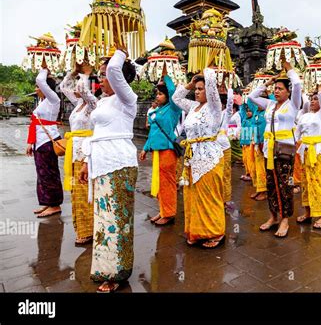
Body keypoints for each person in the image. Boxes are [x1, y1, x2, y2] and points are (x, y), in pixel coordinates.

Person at [79, 47, 138, 293]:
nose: (101, 79)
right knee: (103, 221)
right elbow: (96, 133)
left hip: (120, 164)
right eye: (100, 75)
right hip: (100, 163)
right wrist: (85, 161)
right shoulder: (103, 101)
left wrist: (120, 51)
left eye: (104, 75)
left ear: (119, 79)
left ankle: (117, 273)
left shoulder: (128, 99)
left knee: (117, 220)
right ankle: (104, 269)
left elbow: (115, 68)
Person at [172, 69, 226, 249]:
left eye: (200, 89)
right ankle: (196, 231)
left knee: (209, 195)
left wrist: (206, 67)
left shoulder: (214, 106)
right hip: (192, 156)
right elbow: (176, 99)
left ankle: (216, 232)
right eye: (196, 89)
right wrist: (190, 82)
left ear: (209, 91)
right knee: (192, 196)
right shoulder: (193, 107)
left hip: (210, 157)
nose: (197, 91)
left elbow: (211, 82)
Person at [248, 60, 302, 238]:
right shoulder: (270, 105)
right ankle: (273, 216)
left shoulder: (293, 104)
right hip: (269, 150)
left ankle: (285, 219)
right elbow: (252, 97)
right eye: (275, 89)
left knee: (285, 184)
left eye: (280, 89)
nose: (276, 91)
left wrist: (289, 70)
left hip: (284, 149)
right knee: (270, 184)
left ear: (288, 92)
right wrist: (268, 83)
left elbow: (297, 84)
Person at [59, 63, 97, 244]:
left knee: (85, 191)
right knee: (76, 192)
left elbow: (82, 87)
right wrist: (74, 72)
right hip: (73, 151)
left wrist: (85, 73)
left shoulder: (93, 104)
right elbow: (63, 87)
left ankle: (88, 229)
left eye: (79, 87)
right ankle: (80, 227)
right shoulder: (78, 105)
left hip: (86, 151)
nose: (75, 89)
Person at [139, 67, 182, 226]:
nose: (157, 96)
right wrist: (145, 148)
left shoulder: (173, 108)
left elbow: (173, 92)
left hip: (168, 150)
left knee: (167, 182)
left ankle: (169, 213)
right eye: (156, 93)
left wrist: (166, 75)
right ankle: (163, 210)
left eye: (160, 93)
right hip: (156, 151)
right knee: (159, 182)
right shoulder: (155, 112)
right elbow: (153, 133)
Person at [295, 84, 321, 228]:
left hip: (320, 152)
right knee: (306, 184)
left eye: (316, 99)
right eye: (312, 99)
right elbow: (297, 133)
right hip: (305, 151)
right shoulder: (304, 116)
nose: (313, 101)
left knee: (320, 183)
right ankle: (308, 211)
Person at [26, 65, 63, 218]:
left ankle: (55, 205)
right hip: (39, 142)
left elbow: (40, 79)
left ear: (46, 87)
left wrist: (44, 68)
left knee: (49, 173)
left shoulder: (53, 99)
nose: (36, 88)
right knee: (42, 174)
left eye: (38, 87)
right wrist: (30, 142)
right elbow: (35, 124)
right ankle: (48, 202)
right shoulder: (42, 102)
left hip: (48, 141)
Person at [216, 87, 235, 209]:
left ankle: (225, 199)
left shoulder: (226, 114)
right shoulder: (210, 114)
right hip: (213, 148)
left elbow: (230, 105)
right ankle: (216, 198)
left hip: (224, 147)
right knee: (216, 174)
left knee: (226, 174)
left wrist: (228, 88)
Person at [249, 103, 268, 201]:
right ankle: (258, 188)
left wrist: (261, 142)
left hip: (262, 142)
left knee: (261, 168)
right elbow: (249, 101)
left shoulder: (267, 112)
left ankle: (264, 191)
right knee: (255, 167)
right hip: (255, 142)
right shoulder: (256, 111)